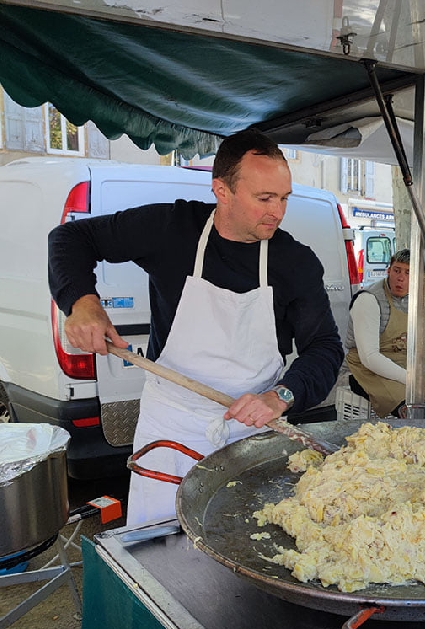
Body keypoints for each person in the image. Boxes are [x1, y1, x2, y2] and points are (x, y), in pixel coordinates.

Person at [48, 129, 343, 526]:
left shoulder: (295, 262)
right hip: (170, 423)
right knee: (159, 545)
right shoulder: (172, 229)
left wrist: (281, 396)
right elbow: (70, 239)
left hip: (251, 430)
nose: (278, 211)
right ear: (222, 190)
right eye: (264, 198)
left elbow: (324, 346)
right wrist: (82, 303)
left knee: (242, 540)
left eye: (284, 198)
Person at [345, 249, 425, 416]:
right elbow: (370, 357)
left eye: (408, 273)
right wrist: (414, 381)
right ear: (389, 271)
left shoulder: (416, 302)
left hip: (401, 362)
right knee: (409, 404)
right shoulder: (368, 300)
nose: (401, 278)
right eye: (397, 270)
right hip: (366, 369)